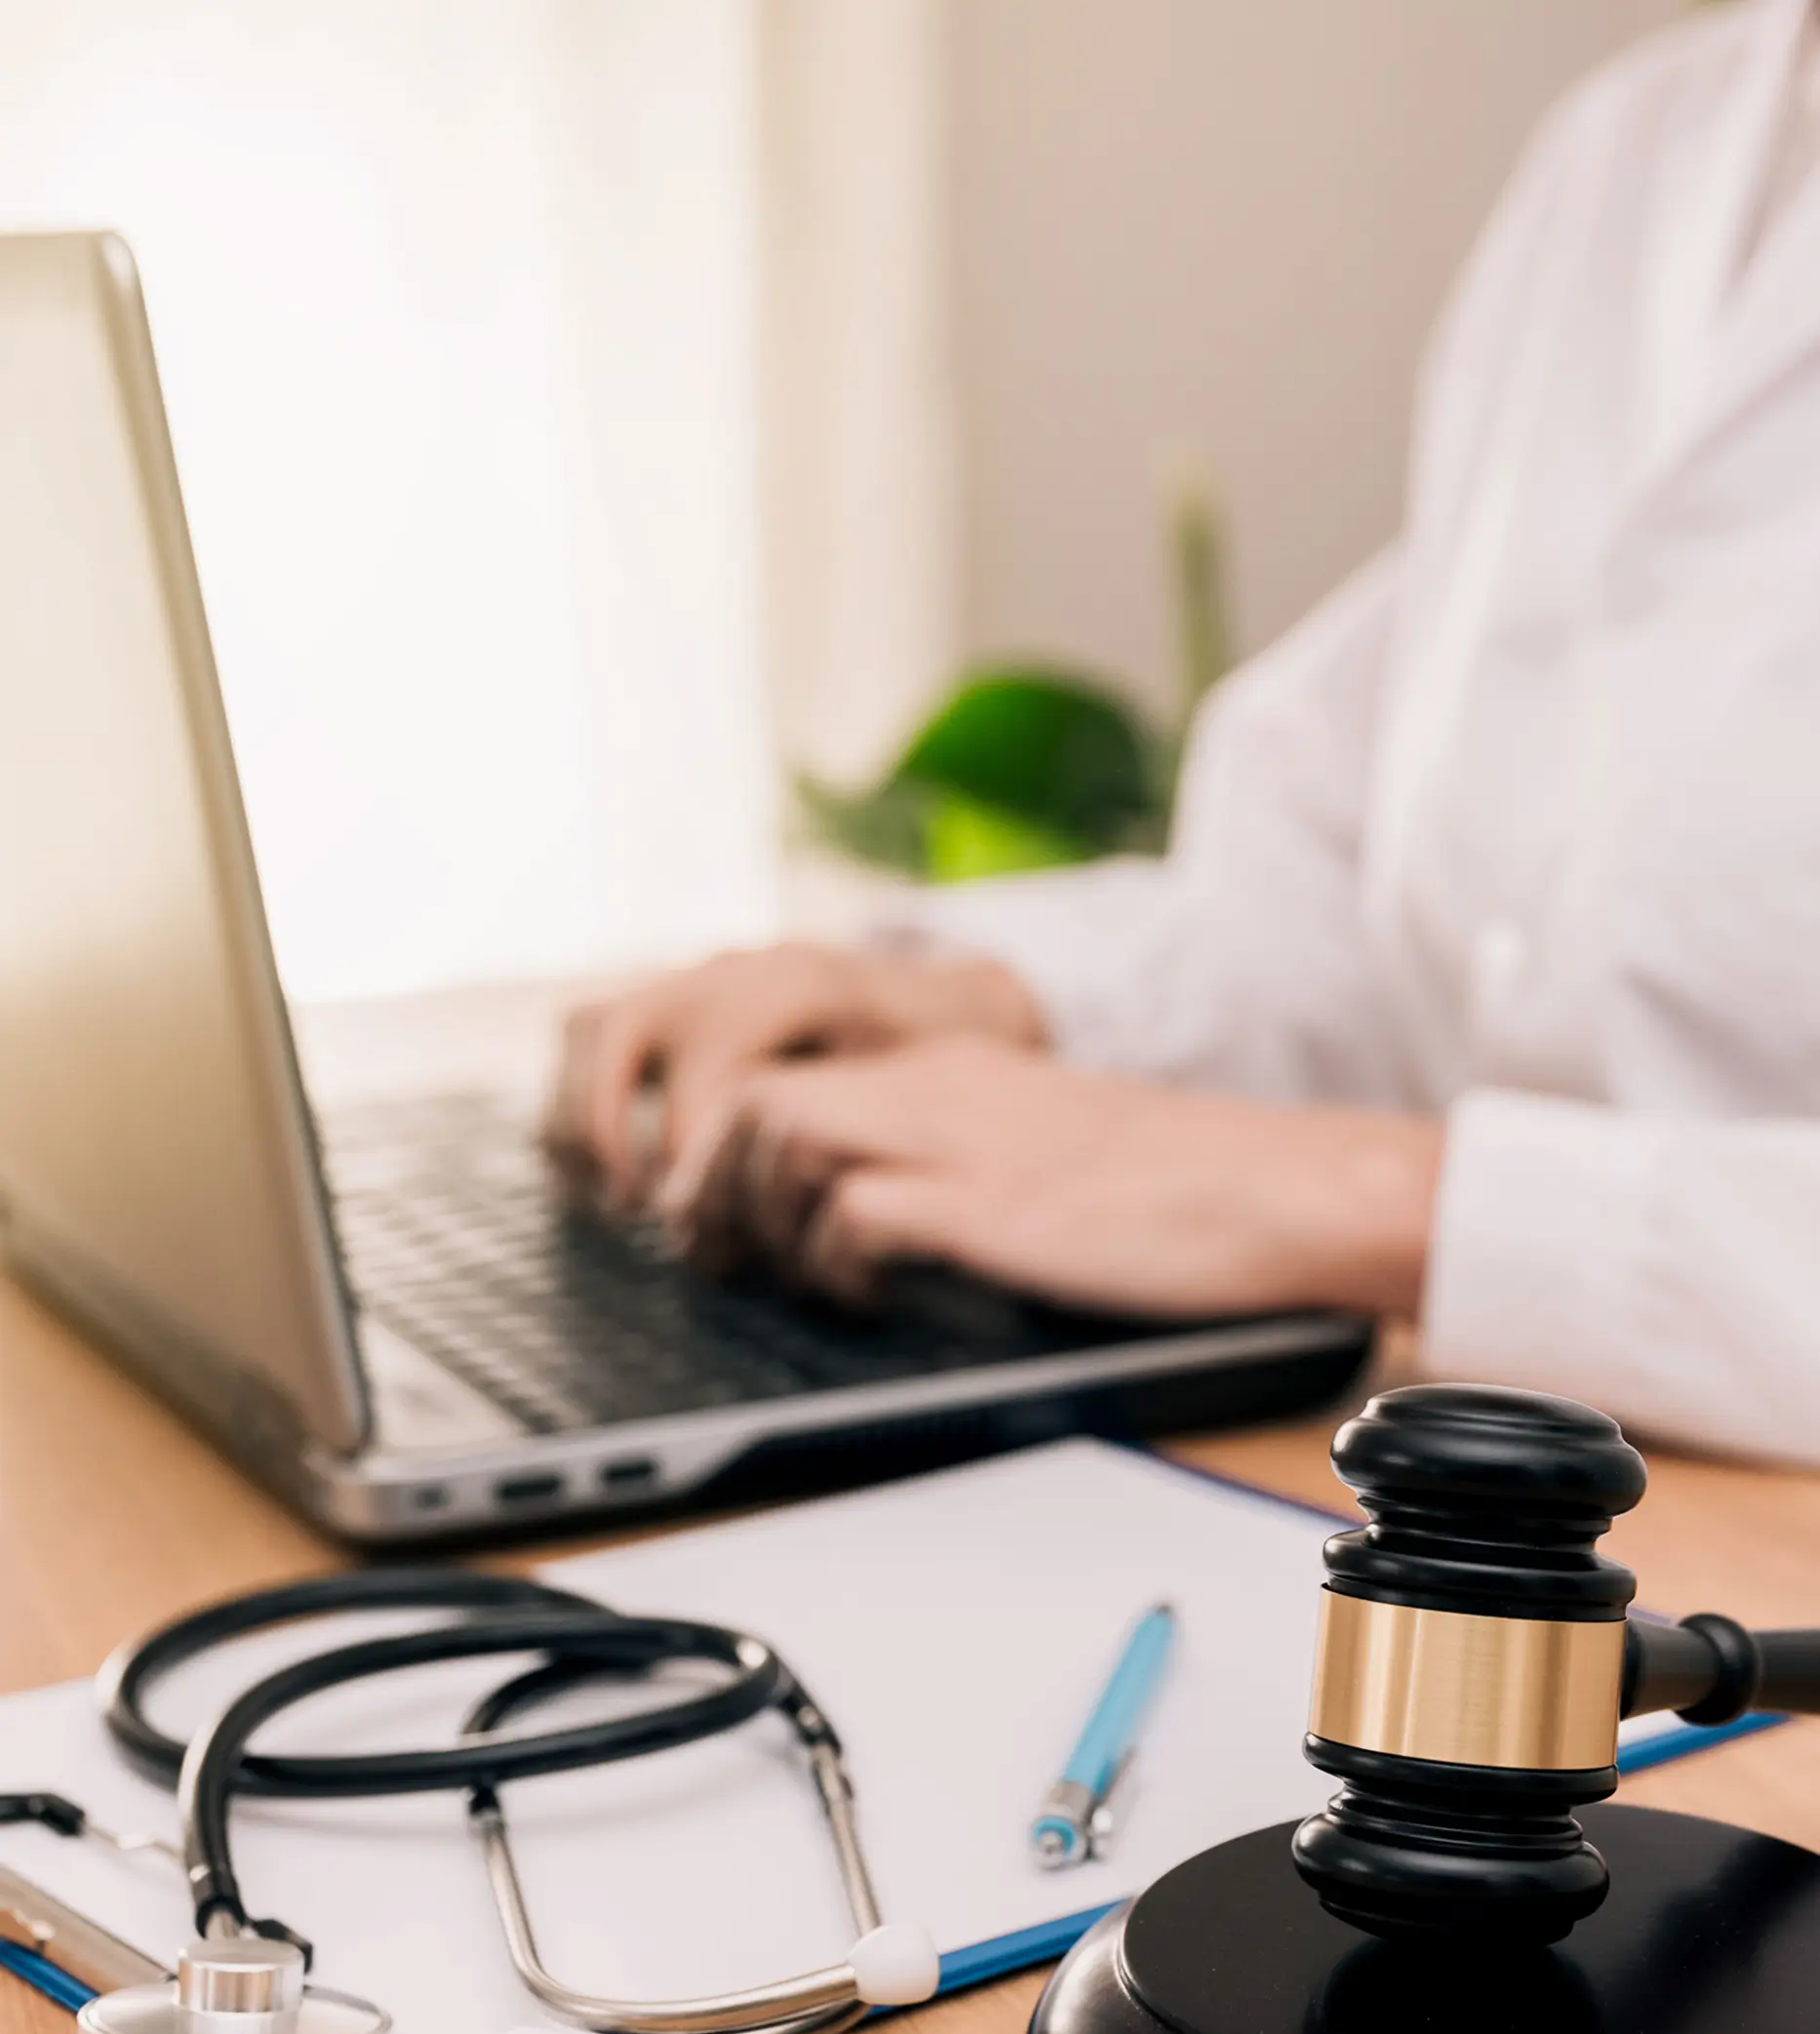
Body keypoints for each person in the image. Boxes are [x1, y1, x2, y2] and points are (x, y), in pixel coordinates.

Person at [551, 0, 1820, 1467]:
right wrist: (994, 1007)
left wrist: (1366, 1198)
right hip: (1526, 1479)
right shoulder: (1638, 146)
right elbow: (1394, 898)